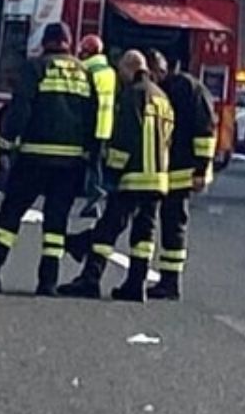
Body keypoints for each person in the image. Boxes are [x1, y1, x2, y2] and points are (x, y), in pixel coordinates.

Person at [0, 22, 98, 296]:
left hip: (34, 157)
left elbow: (21, 109)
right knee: (56, 225)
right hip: (71, 163)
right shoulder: (84, 74)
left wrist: (4, 145)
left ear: (45, 43)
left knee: (10, 215)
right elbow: (92, 117)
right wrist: (89, 155)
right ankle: (47, 282)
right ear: (69, 43)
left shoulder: (35, 68)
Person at [59, 50, 174, 302]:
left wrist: (112, 170)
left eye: (121, 71)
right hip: (158, 179)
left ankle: (90, 278)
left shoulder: (133, 95)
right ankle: (136, 284)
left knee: (107, 230)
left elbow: (125, 135)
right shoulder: (162, 97)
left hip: (133, 177)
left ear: (130, 68)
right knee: (144, 235)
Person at [144, 50, 217, 301]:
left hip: (183, 171)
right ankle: (167, 280)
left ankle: (170, 282)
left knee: (174, 224)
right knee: (168, 222)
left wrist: (200, 168)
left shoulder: (184, 89)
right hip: (173, 169)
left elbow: (205, 131)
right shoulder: (177, 88)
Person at [78, 34, 116, 218]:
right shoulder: (109, 71)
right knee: (96, 163)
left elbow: (85, 101)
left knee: (90, 165)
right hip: (105, 126)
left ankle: (94, 196)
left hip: (89, 125)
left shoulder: (86, 71)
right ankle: (94, 198)